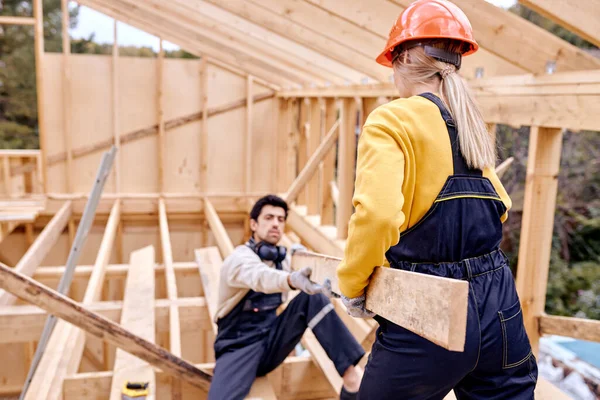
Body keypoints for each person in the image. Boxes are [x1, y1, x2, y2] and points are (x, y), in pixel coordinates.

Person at [335, 0, 538, 399]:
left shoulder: (391, 120)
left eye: (393, 60)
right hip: (500, 307)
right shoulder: (470, 126)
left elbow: (376, 216)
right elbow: (501, 208)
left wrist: (353, 286)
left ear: (405, 57)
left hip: (427, 307)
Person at [208, 194, 365, 400]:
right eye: (269, 218)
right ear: (253, 224)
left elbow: (300, 272)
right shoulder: (239, 259)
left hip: (270, 342)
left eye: (280, 220)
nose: (276, 224)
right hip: (239, 347)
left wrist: (308, 263)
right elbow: (261, 277)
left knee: (311, 299)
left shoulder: (281, 259)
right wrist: (291, 279)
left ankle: (351, 381)